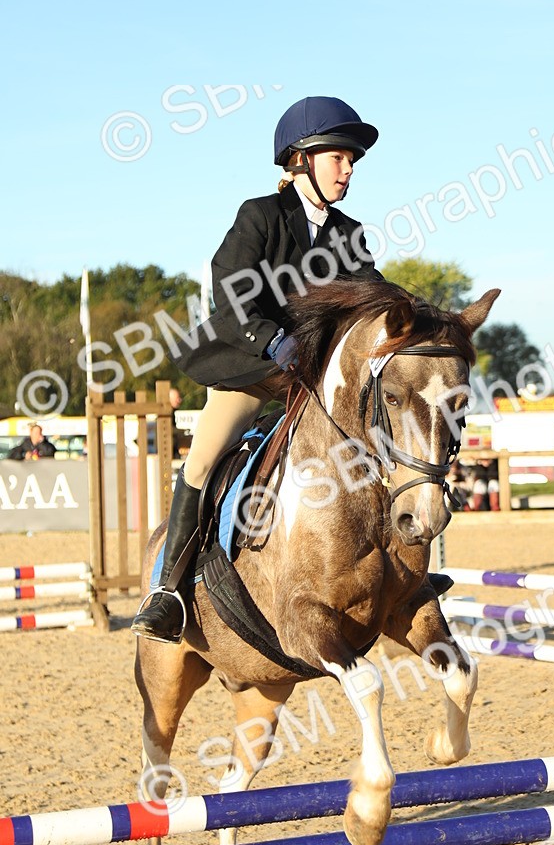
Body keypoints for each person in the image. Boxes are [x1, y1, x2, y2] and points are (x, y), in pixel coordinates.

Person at [132, 96, 381, 642]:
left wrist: (425, 320)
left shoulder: (348, 232)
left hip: (312, 376)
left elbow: (375, 294)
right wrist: (272, 341)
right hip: (253, 365)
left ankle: (396, 568)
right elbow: (230, 289)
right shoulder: (259, 216)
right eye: (338, 157)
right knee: (201, 463)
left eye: (352, 161)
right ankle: (168, 593)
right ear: (301, 160)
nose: (349, 169)